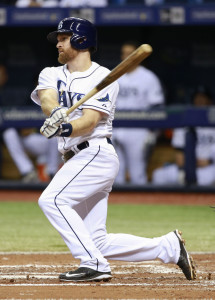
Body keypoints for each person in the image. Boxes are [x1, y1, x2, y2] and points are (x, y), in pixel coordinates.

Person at [31, 17, 196, 282]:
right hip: (75, 158)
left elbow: (90, 121)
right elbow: (48, 98)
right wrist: (57, 113)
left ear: (80, 40)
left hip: (95, 154)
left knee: (52, 200)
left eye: (63, 38)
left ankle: (93, 264)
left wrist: (65, 128)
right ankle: (169, 247)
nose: (58, 44)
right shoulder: (51, 72)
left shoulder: (104, 78)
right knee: (98, 240)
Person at [113, 41, 165, 185]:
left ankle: (141, 204)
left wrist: (153, 132)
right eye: (124, 53)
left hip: (138, 129)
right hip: (115, 128)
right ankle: (118, 206)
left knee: (137, 172)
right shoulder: (115, 76)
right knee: (115, 172)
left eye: (131, 53)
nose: (127, 57)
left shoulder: (148, 77)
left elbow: (157, 106)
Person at [152, 86, 215, 186]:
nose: (200, 100)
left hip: (209, 167)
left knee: (205, 179)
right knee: (159, 175)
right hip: (188, 166)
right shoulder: (184, 123)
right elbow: (179, 158)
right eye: (197, 97)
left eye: (203, 97)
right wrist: (193, 164)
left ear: (209, 101)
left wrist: (209, 162)